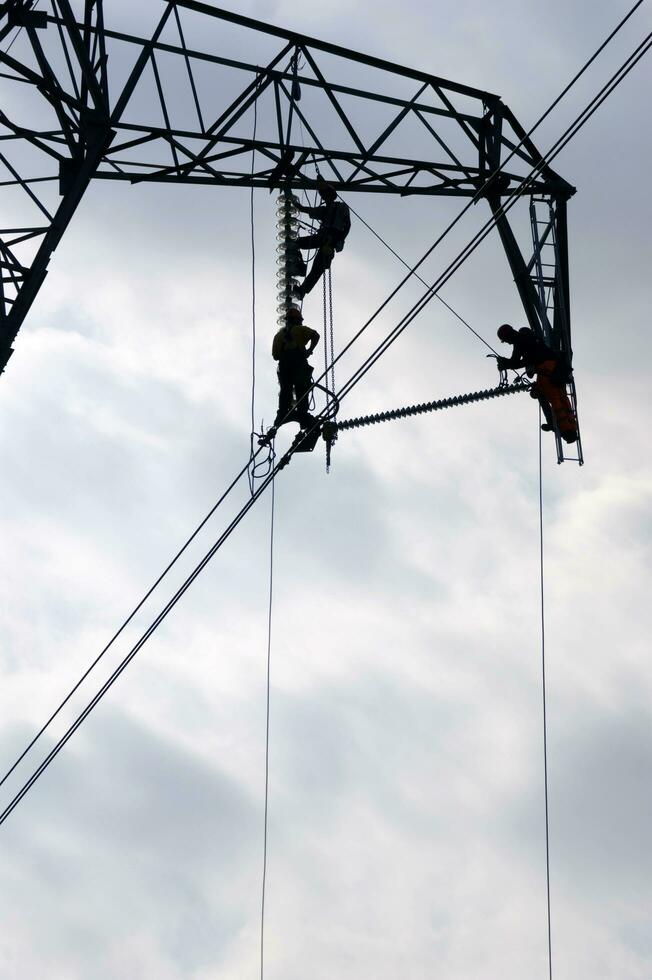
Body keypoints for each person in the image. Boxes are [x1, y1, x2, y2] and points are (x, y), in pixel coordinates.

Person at [496, 323, 578, 442]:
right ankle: (564, 426)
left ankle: (568, 432)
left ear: (508, 336)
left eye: (506, 340)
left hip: (547, 369)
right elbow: (520, 361)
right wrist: (506, 363)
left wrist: (505, 363)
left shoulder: (519, 341)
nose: (508, 343)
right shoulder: (526, 338)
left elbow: (516, 362)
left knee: (555, 399)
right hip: (555, 369)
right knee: (555, 396)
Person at [290, 179, 351, 298]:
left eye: (324, 194)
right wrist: (296, 204)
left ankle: (302, 290)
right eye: (323, 195)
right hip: (322, 237)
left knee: (317, 268)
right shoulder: (324, 210)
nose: (323, 197)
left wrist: (339, 239)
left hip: (331, 240)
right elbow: (307, 209)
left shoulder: (341, 207)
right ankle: (300, 267)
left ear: (330, 194)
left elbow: (347, 225)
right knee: (296, 243)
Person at [272, 308, 320, 430]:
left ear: (286, 321)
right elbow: (316, 335)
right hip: (298, 364)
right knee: (302, 390)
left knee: (285, 391)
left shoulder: (278, 336)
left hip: (283, 366)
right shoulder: (300, 329)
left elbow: (275, 356)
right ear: (298, 320)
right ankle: (303, 417)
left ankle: (282, 414)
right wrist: (309, 350)